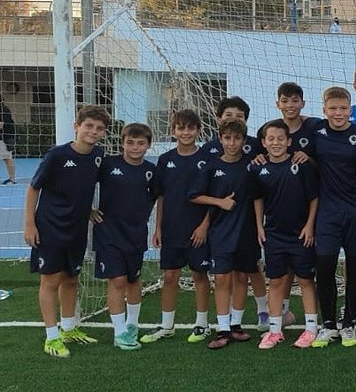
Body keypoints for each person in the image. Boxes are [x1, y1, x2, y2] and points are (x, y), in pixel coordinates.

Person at [24, 104, 109, 357]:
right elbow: (33, 189)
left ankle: (69, 328)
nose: (93, 131)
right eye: (89, 126)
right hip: (50, 227)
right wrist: (30, 224)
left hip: (77, 228)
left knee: (72, 278)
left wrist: (89, 208)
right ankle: (51, 336)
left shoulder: (99, 155)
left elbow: (81, 186)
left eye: (99, 128)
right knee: (51, 279)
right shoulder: (57, 156)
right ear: (77, 126)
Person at [140, 110, 214, 345]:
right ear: (173, 131)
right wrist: (158, 227)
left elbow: (213, 197)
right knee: (170, 276)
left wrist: (204, 226)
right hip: (172, 229)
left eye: (190, 128)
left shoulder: (206, 159)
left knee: (199, 275)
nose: (186, 132)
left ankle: (202, 324)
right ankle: (167, 325)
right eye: (181, 128)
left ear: (198, 130)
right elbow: (161, 196)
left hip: (198, 230)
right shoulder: (165, 160)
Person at [306, 86, 356, 347]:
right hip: (328, 211)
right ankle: (329, 323)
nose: (338, 113)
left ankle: (350, 323)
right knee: (325, 266)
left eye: (343, 108)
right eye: (332, 108)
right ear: (324, 110)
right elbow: (294, 146)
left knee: (355, 266)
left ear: (350, 110)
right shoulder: (315, 132)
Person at [188, 119, 259, 350]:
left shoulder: (251, 165)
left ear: (243, 141)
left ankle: (236, 325)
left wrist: (260, 226)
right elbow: (194, 195)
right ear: (220, 139)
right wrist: (219, 202)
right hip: (221, 230)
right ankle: (222, 328)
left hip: (246, 230)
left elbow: (258, 196)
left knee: (241, 277)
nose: (232, 143)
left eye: (237, 138)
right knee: (221, 278)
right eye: (227, 138)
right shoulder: (210, 166)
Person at [199, 96, 268, 325]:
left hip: (248, 217)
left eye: (239, 116)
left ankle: (262, 311)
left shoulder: (254, 146)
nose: (234, 119)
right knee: (223, 273)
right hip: (220, 220)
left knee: (251, 267)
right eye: (229, 115)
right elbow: (204, 191)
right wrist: (206, 222)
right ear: (219, 119)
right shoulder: (209, 151)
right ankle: (223, 320)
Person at [252, 120, 320, 349]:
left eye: (281, 138)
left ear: (289, 141)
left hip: (301, 234)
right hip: (274, 234)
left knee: (305, 280)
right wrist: (259, 226)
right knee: (277, 281)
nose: (276, 143)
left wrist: (310, 225)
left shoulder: (301, 165)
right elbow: (257, 198)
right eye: (270, 139)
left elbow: (314, 197)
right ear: (263, 142)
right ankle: (274, 330)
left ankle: (311, 328)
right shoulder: (258, 168)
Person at [92, 122, 157, 351]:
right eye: (130, 143)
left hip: (136, 233)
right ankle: (119, 333)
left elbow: (159, 198)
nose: (135, 147)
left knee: (133, 280)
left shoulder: (151, 171)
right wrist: (89, 209)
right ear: (122, 143)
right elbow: (83, 182)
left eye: (140, 143)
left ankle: (132, 325)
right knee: (117, 280)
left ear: (149, 145)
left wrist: (156, 227)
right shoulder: (108, 164)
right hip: (109, 231)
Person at [0, 97, 16, 184]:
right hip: (7, 136)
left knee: (7, 158)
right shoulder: (5, 108)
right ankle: (12, 178)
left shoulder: (3, 110)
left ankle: (12, 179)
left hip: (3, 138)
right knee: (7, 158)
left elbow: (2, 124)